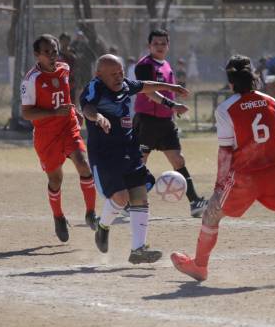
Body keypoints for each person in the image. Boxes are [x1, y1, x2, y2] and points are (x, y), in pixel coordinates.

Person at [170, 55, 275, 284]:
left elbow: (225, 153)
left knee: (210, 215)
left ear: (231, 83)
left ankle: (200, 267)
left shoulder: (225, 109)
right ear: (253, 77)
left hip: (244, 179)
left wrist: (218, 188)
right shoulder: (270, 101)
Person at [81, 54, 189, 264]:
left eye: (121, 72)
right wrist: (98, 117)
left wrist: (172, 90)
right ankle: (102, 227)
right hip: (105, 155)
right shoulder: (95, 88)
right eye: (113, 74)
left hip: (129, 150)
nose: (119, 77)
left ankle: (138, 250)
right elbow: (87, 108)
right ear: (99, 74)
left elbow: (145, 86)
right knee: (120, 198)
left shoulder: (124, 85)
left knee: (139, 196)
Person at [20, 34, 97, 243]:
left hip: (68, 127)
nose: (52, 55)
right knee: (56, 179)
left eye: (54, 51)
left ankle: (91, 213)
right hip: (46, 135)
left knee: (84, 165)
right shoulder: (31, 79)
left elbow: (65, 96)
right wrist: (55, 112)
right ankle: (58, 217)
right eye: (47, 52)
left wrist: (74, 110)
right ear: (37, 55)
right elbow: (26, 113)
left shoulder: (65, 68)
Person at [134, 29, 208, 217]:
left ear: (168, 45)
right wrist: (173, 105)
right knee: (140, 162)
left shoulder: (166, 65)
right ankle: (131, 203)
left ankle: (195, 202)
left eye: (163, 43)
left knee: (178, 160)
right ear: (149, 46)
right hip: (147, 121)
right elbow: (148, 91)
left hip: (165, 122)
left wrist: (172, 110)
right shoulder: (144, 65)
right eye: (155, 43)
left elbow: (168, 92)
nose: (159, 47)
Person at [57, 32, 79, 103]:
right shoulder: (57, 53)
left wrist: (67, 53)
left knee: (72, 100)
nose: (65, 42)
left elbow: (75, 60)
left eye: (66, 40)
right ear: (60, 41)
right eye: (63, 40)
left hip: (71, 79)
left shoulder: (72, 52)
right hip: (60, 80)